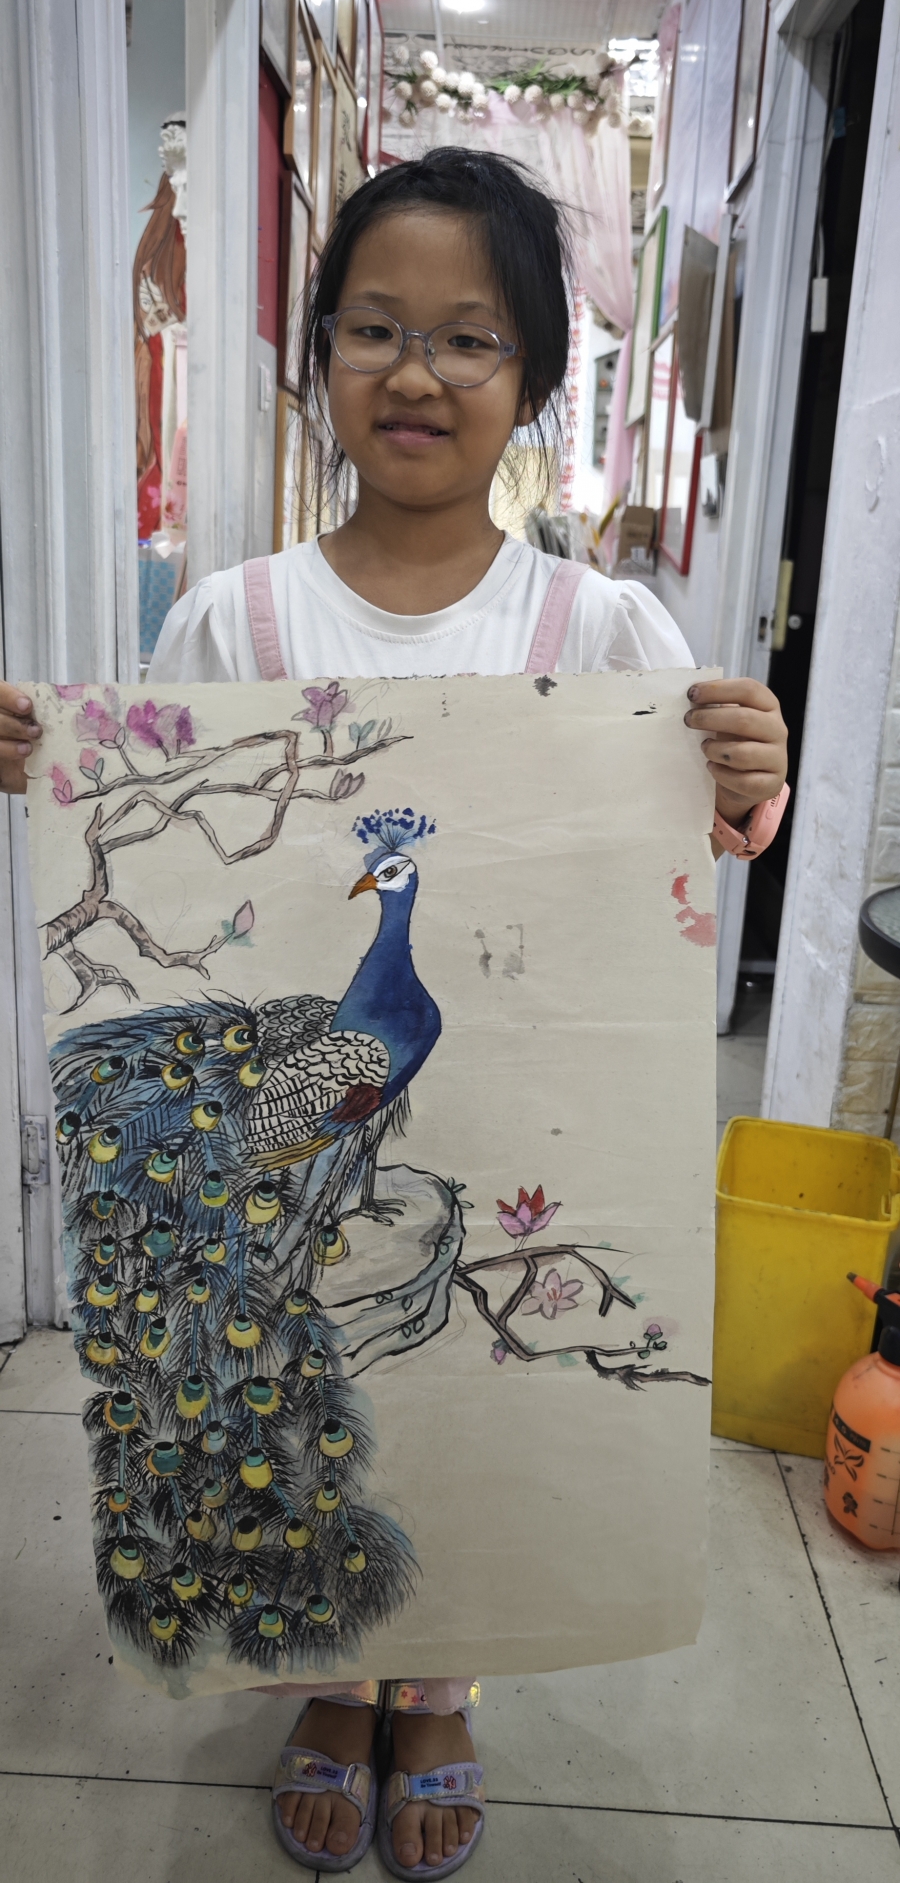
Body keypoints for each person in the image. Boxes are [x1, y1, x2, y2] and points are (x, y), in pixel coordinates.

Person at [0, 150, 788, 1878]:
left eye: (469, 337)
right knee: (329, 1343)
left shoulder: (605, 625)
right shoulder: (232, 620)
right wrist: (62, 780)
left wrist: (746, 778)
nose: (417, 373)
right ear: (320, 354)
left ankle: (436, 1689)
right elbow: (169, 855)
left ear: (535, 377)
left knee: (479, 1398)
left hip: (492, 1101)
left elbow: (689, 862)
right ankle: (333, 1679)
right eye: (373, 328)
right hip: (297, 1108)